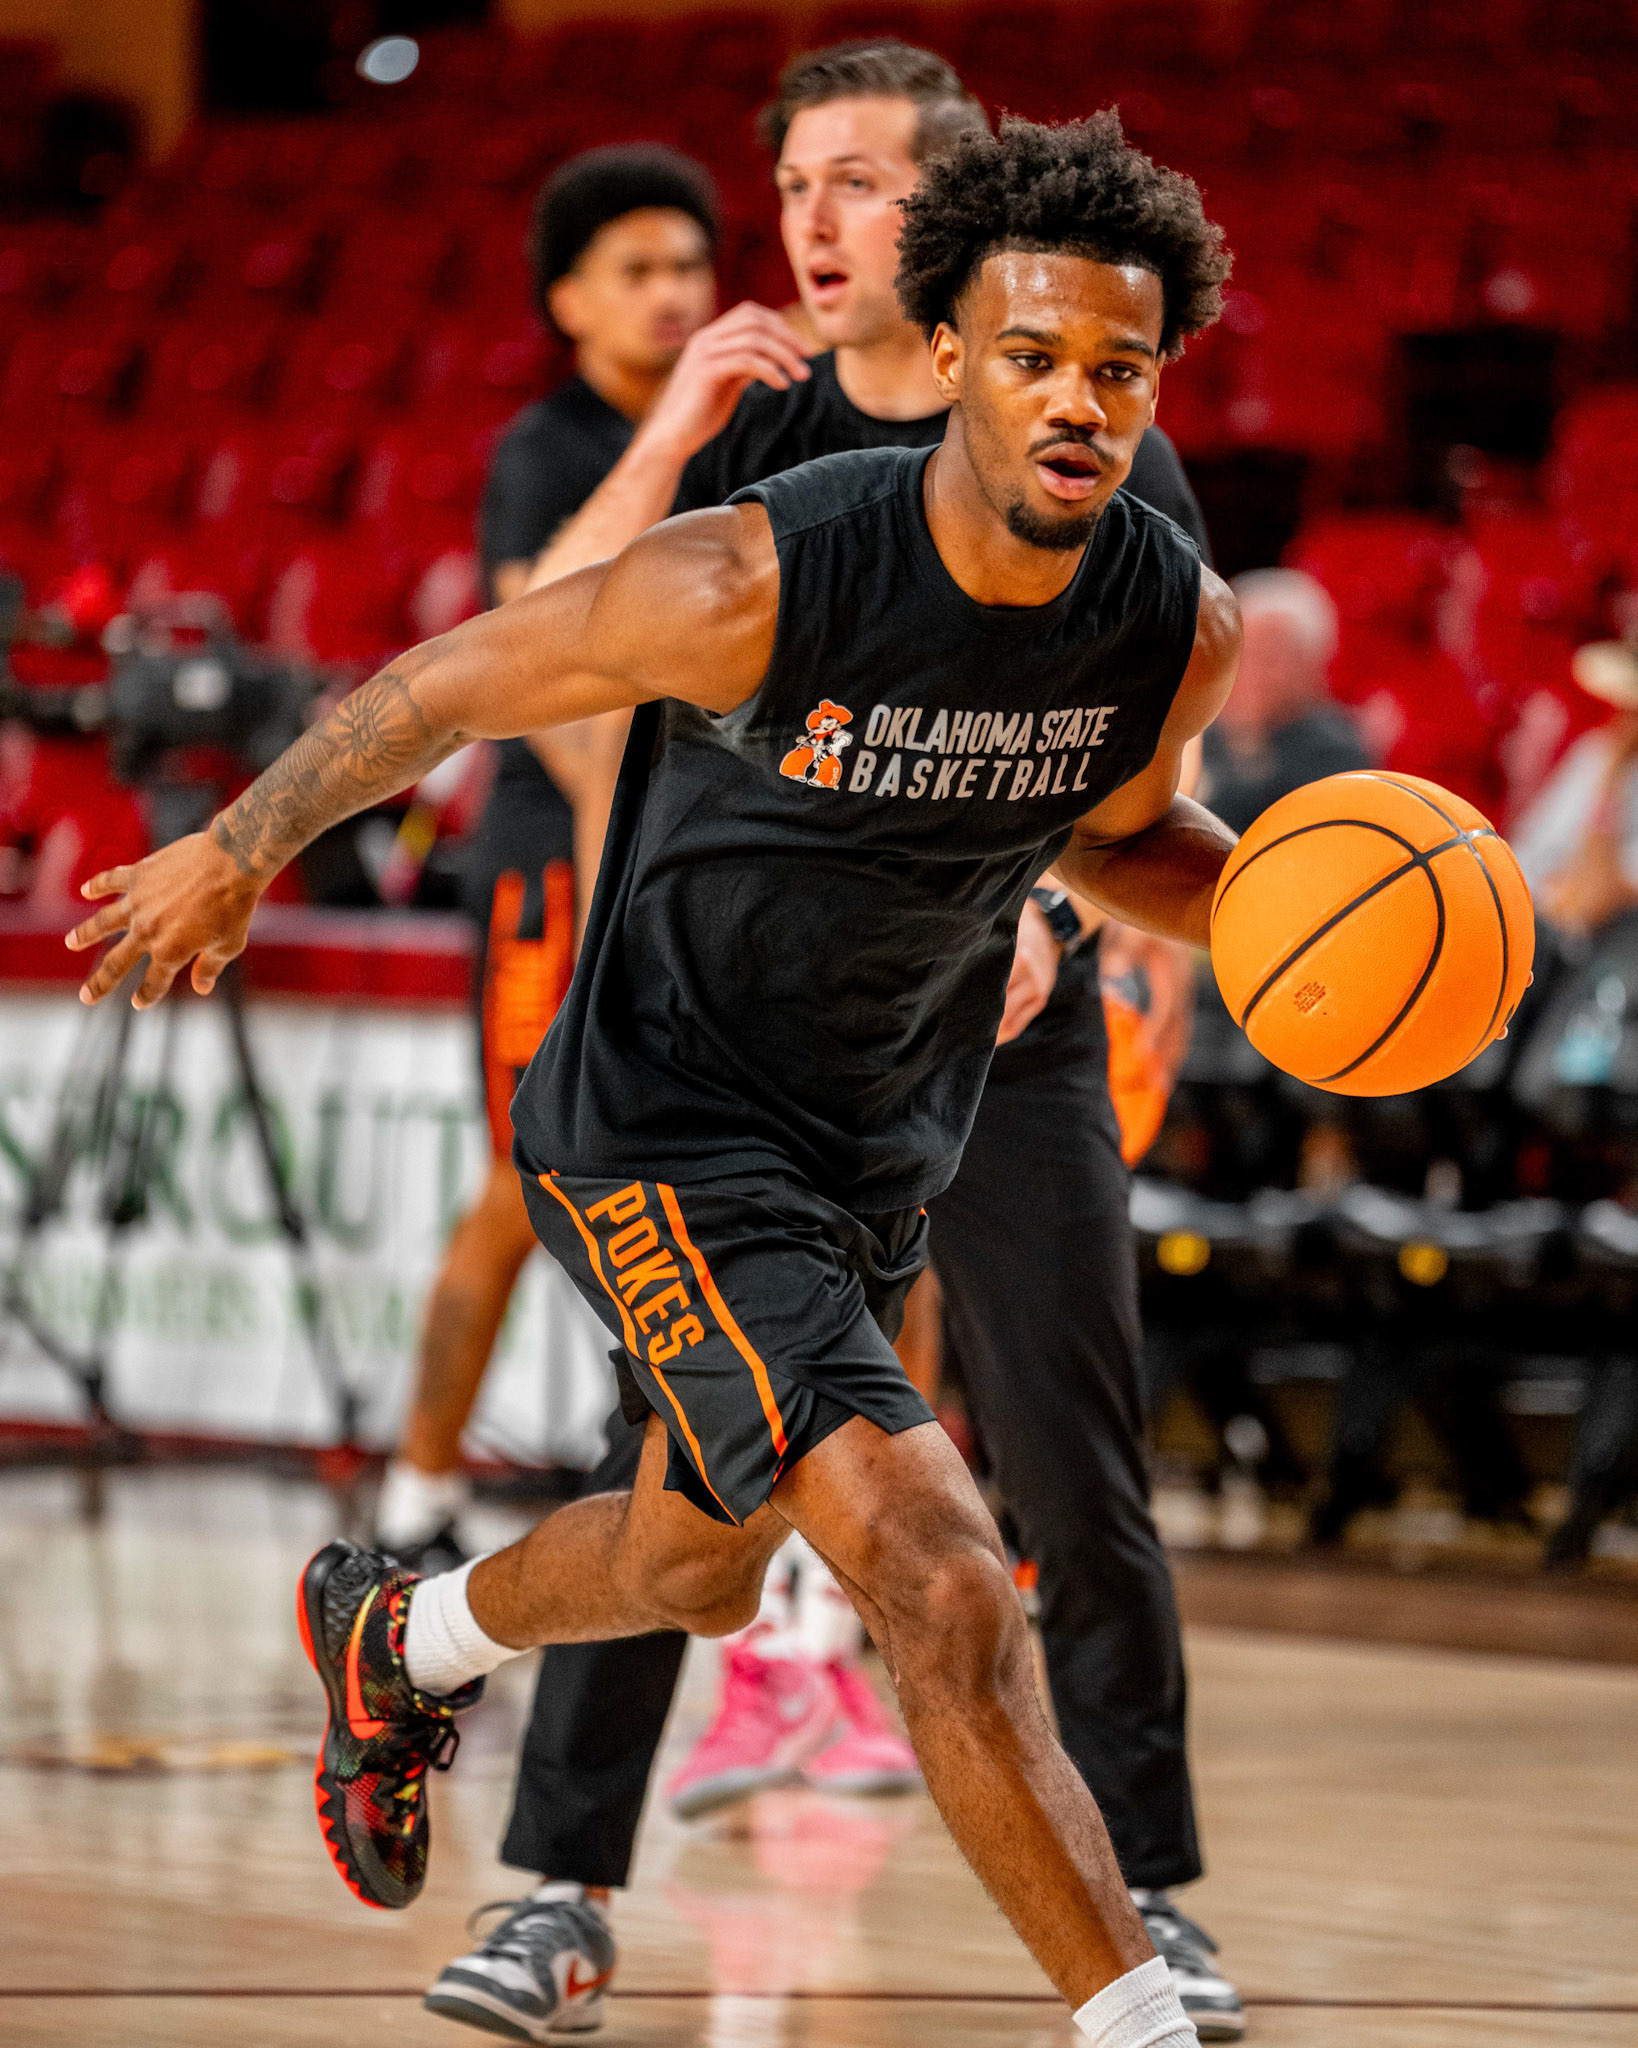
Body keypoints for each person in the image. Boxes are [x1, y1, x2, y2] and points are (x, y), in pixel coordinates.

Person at [69, 111, 1240, 2048]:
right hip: (663, 1124)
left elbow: (1116, 836)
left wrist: (1282, 911)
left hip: (881, 1140)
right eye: (1033, 357)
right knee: (945, 1579)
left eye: (1120, 370)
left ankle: (407, 1628)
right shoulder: (758, 573)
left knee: (699, 1560)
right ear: (946, 353)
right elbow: (449, 683)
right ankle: (1136, 2021)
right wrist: (243, 846)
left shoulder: (1163, 618)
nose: (1079, 403)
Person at [424, 43, 1241, 2046]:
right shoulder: (758, 429)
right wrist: (682, 415)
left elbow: (1145, 783)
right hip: (758, 1026)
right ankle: (560, 1889)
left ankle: (1144, 1892)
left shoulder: (1093, 423)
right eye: (794, 180)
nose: (808, 219)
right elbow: (550, 675)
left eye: (863, 181)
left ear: (971, 232)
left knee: (1070, 1440)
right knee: (686, 1446)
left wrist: (1069, 910)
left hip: (1012, 1003)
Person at [372, 145, 720, 1570]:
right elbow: (546, 671)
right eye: (637, 270)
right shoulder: (546, 453)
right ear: (568, 302)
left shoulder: (753, 430)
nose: (671, 294)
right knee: (523, 1183)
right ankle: (416, 1488)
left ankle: (703, 1508)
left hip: (697, 846)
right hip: (554, 857)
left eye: (691, 267)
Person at [1198, 567, 1369, 836]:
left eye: (1270, 655)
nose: (1252, 670)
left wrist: (1247, 741)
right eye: (1243, 650)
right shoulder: (1199, 731)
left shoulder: (1335, 752)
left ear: (1313, 664)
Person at [1513, 630, 1638, 936]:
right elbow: (1530, 846)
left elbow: (1601, 896)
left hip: (1602, 942)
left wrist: (1612, 783)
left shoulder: (1611, 763)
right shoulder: (1595, 750)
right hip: (1542, 913)